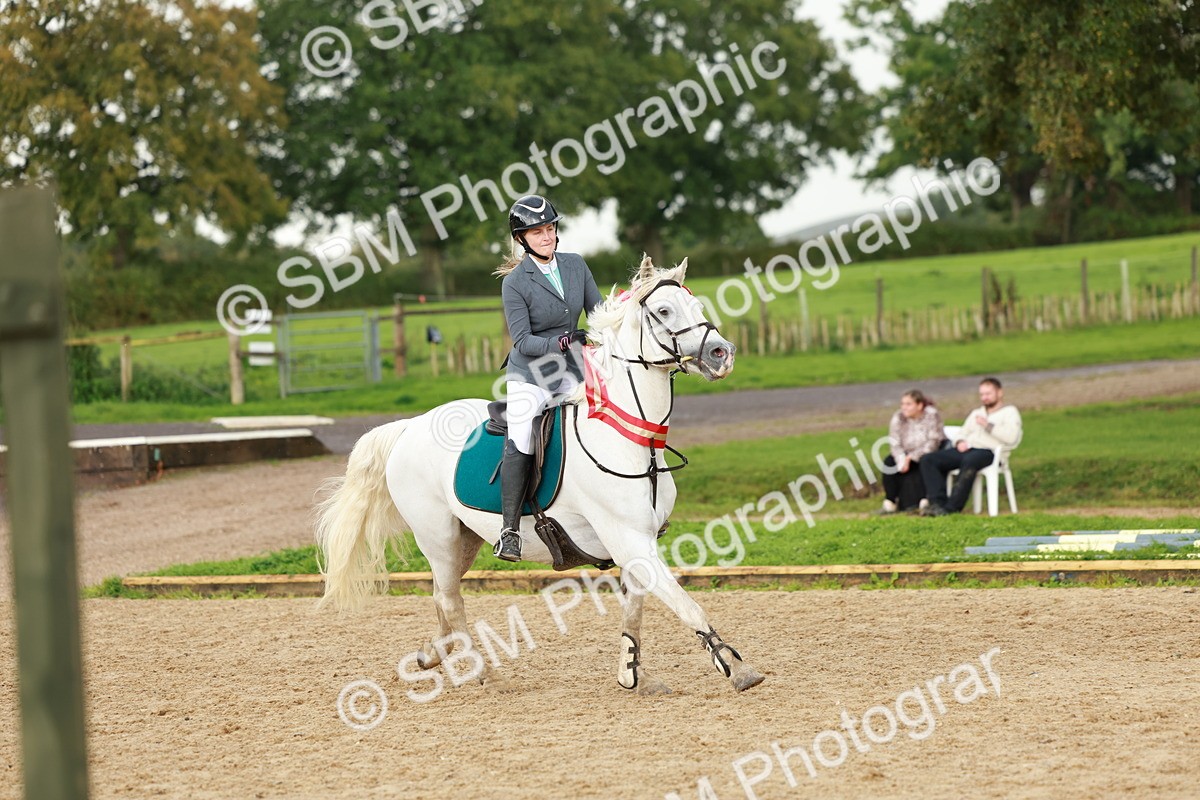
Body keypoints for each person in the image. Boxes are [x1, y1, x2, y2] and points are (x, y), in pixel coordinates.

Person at [492, 194, 603, 562]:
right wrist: (562, 341)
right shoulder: (514, 283)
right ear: (521, 238)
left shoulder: (576, 265)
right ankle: (509, 530)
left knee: (603, 414)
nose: (546, 236)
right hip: (531, 373)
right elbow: (522, 340)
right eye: (537, 232)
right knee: (522, 433)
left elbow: (598, 312)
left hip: (573, 367)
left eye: (550, 228)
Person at [919, 377, 1023, 516]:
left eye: (988, 394)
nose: (984, 397)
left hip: (990, 452)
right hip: (968, 449)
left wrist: (987, 425)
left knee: (971, 460)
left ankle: (952, 507)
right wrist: (960, 441)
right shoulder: (977, 413)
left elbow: (1011, 437)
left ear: (999, 393)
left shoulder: (1009, 412)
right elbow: (962, 432)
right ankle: (937, 504)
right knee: (928, 459)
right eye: (982, 394)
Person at [880, 390, 943, 514]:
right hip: (904, 453)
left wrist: (912, 457)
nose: (904, 407)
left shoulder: (931, 415)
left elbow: (933, 442)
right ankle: (890, 502)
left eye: (908, 404)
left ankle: (925, 501)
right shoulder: (898, 417)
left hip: (926, 453)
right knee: (889, 462)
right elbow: (894, 442)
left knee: (925, 462)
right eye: (902, 404)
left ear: (919, 405)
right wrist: (901, 458)